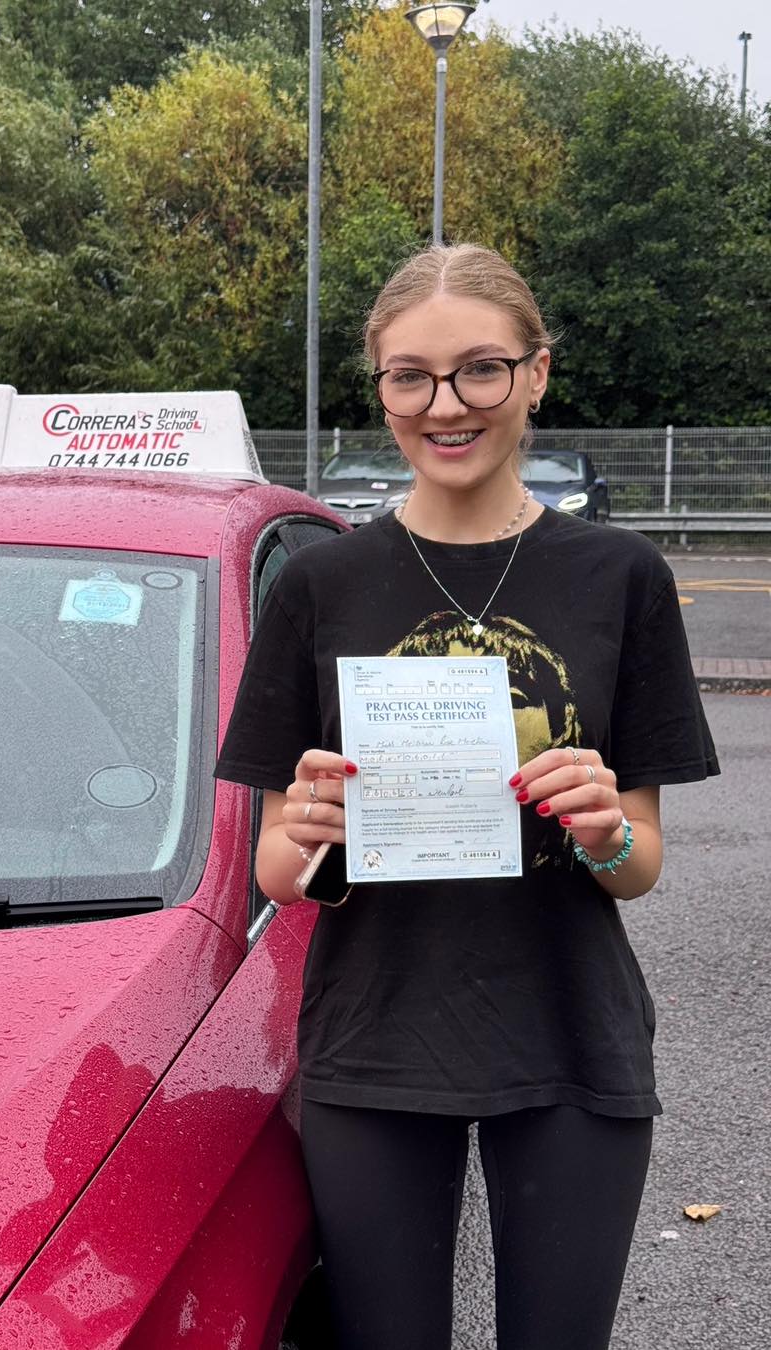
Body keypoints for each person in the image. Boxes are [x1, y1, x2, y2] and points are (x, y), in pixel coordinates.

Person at [215, 243, 719, 1350]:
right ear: (382, 386)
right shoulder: (319, 585)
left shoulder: (621, 578)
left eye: (480, 370)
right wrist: (303, 833)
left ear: (536, 374)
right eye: (412, 376)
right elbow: (274, 875)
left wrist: (599, 827)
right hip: (377, 1036)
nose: (446, 405)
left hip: (570, 1034)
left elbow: (639, 862)